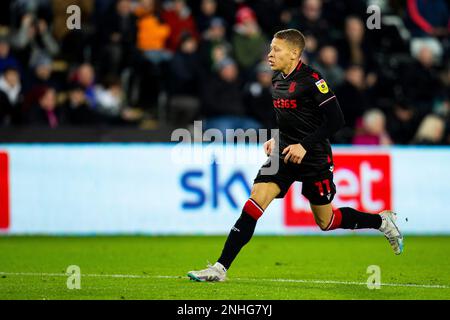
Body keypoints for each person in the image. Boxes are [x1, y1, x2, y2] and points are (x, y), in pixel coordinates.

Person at [187, 29, 404, 282]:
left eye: (276, 49)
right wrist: (276, 138)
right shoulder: (277, 80)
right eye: (270, 48)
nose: (269, 54)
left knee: (327, 220)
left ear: (293, 53)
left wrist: (305, 145)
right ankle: (220, 268)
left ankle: (381, 221)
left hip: (314, 158)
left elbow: (337, 120)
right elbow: (290, 119)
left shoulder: (312, 80)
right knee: (255, 201)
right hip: (283, 154)